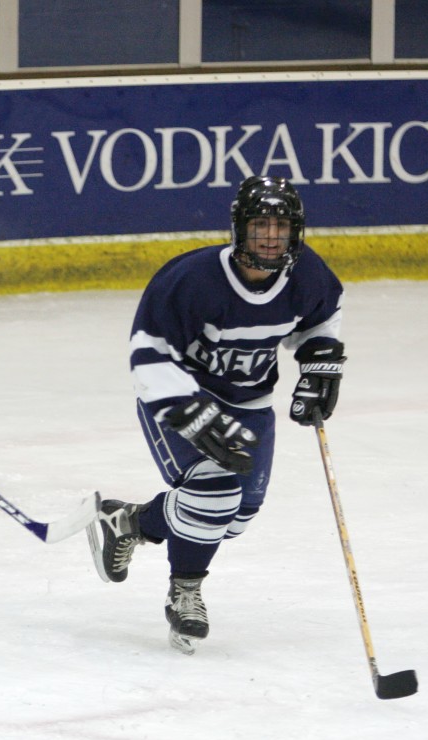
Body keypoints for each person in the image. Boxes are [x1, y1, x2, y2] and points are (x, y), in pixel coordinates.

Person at [92, 175, 346, 653]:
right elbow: (149, 352)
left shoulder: (306, 274)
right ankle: (186, 589)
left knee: (236, 516)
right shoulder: (190, 279)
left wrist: (319, 365)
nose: (272, 236)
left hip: (250, 405)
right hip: (178, 398)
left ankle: (130, 522)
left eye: (282, 226)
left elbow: (323, 315)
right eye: (261, 225)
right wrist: (190, 412)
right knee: (214, 491)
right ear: (239, 229)